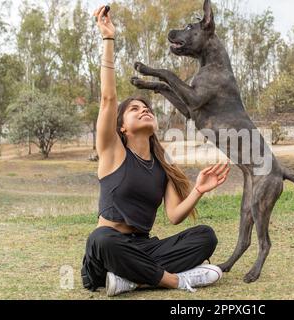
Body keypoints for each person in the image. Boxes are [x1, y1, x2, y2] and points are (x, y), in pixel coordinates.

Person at [81, 6, 231, 297]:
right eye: (134, 109)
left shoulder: (162, 164)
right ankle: (177, 280)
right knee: (100, 239)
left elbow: (174, 215)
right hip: (110, 248)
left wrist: (198, 190)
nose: (144, 110)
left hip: (143, 247)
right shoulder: (113, 151)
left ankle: (131, 280)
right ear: (121, 127)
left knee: (205, 237)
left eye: (147, 108)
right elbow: (108, 98)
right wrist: (108, 40)